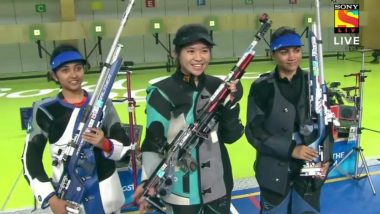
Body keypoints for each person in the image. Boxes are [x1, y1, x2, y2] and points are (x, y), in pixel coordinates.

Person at [133, 23, 244, 214]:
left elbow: (231, 136)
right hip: (180, 192)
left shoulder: (218, 86)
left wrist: (231, 104)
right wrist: (148, 182)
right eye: (190, 51)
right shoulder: (161, 92)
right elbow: (152, 142)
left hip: (219, 186)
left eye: (204, 51)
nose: (199, 58)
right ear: (176, 53)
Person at [21, 44, 130, 214]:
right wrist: (51, 198)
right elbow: (30, 159)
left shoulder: (104, 104)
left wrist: (105, 143)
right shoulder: (44, 110)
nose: (74, 75)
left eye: (78, 68)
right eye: (65, 70)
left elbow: (125, 147)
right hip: (68, 200)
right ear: (54, 76)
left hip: (108, 197)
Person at [245, 27, 333, 214]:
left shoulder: (315, 84)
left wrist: (326, 159)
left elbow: (327, 124)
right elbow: (254, 131)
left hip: (311, 168)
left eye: (297, 50)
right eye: (284, 52)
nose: (292, 57)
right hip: (273, 170)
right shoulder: (262, 87)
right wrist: (291, 149)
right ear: (273, 54)